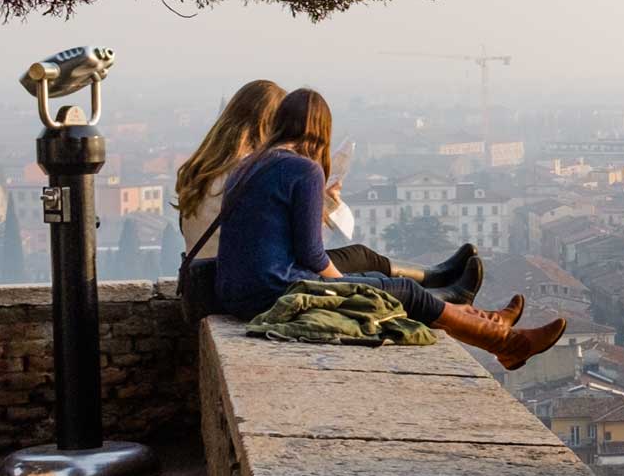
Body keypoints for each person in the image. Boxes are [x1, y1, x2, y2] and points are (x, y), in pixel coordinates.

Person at [215, 89, 564, 370]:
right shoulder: (303, 169)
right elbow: (310, 253)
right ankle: (507, 344)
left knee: (379, 278)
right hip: (270, 292)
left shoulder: (248, 165)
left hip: (235, 290)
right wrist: (348, 286)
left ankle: (490, 323)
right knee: (402, 291)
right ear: (321, 128)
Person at [175, 79, 481, 302]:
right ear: (269, 122)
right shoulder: (249, 169)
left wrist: (320, 202)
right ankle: (442, 292)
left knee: (362, 256)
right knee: (366, 275)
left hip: (221, 274)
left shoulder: (201, 168)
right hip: (240, 278)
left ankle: (437, 276)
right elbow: (303, 247)